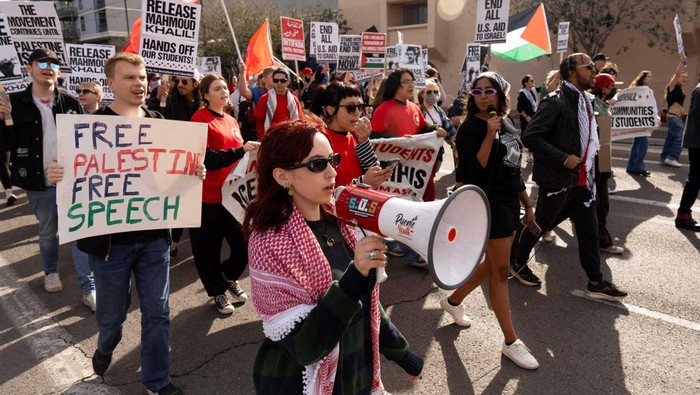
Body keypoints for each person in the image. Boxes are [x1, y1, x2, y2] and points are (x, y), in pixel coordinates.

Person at [46, 52, 205, 395]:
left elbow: (173, 176)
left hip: (154, 242)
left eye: (143, 76)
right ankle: (106, 345)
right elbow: (71, 174)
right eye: (130, 77)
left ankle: (157, 381)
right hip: (109, 247)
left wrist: (194, 172)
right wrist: (56, 172)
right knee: (112, 317)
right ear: (112, 84)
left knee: (158, 313)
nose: (139, 83)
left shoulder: (160, 123)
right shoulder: (89, 130)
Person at [244, 119, 424, 393]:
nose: (332, 172)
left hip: (355, 374)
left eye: (333, 160)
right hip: (301, 382)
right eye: (317, 164)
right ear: (283, 176)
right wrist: (356, 274)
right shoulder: (269, 242)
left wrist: (402, 354)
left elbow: (368, 303)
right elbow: (304, 347)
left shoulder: (341, 220)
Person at [510, 53, 628, 302]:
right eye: (588, 67)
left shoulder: (586, 101)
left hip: (583, 181)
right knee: (541, 222)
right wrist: (563, 157)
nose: (594, 71)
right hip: (558, 180)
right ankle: (517, 261)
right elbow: (530, 136)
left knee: (589, 230)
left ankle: (595, 282)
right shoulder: (556, 101)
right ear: (572, 72)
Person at [441, 71, 539, 370]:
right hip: (485, 203)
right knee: (499, 270)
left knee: (495, 263)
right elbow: (473, 172)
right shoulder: (470, 128)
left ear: (499, 94)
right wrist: (488, 135)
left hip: (509, 202)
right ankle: (511, 342)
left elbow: (512, 168)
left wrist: (528, 206)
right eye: (478, 91)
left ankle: (453, 301)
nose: (483, 96)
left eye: (489, 91)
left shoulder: (507, 123)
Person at [0, 48, 95, 309]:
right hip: (39, 183)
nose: (48, 67)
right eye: (41, 62)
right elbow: (7, 144)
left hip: (72, 180)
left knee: (79, 231)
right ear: (29, 68)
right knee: (49, 232)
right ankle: (50, 270)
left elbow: (86, 138)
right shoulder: (13, 102)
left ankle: (89, 288)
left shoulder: (71, 102)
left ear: (59, 72)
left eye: (53, 63)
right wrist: (1, 120)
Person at [189, 74, 260, 314]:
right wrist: (239, 151)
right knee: (207, 250)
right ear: (206, 95)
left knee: (242, 247)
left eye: (224, 88)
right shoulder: (200, 119)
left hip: (232, 196)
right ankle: (217, 291)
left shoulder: (231, 120)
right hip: (206, 198)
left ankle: (228, 277)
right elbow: (205, 157)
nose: (223, 92)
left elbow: (237, 156)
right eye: (217, 89)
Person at [371, 69, 447, 266]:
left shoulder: (414, 108)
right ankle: (413, 252)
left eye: (413, 81)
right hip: (393, 174)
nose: (411, 85)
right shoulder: (384, 109)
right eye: (406, 81)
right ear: (396, 84)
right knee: (401, 209)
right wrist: (398, 142)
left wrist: (434, 130)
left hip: (412, 172)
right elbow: (374, 138)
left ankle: (401, 245)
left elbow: (422, 128)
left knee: (414, 206)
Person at [309, 81, 391, 188]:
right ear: (331, 110)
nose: (357, 113)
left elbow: (372, 171)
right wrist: (362, 183)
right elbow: (322, 192)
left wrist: (364, 142)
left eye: (360, 107)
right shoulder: (319, 140)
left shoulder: (355, 135)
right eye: (351, 108)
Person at [591, 73, 624, 255]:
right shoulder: (596, 107)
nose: (614, 91)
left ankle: (600, 239)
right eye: (612, 87)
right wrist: (603, 168)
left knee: (599, 204)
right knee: (600, 204)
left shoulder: (602, 106)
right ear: (604, 89)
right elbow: (600, 141)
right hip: (596, 163)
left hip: (601, 162)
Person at [675, 81, 700, 231]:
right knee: (695, 178)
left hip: (696, 140)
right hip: (697, 142)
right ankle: (683, 214)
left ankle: (684, 213)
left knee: (696, 178)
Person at [254, 67, 303, 139]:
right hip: (270, 141)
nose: (279, 83)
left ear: (288, 82)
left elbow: (299, 122)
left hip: (291, 141)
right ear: (273, 81)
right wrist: (264, 138)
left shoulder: (294, 100)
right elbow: (259, 122)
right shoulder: (264, 99)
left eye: (282, 80)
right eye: (276, 80)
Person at [661, 58, 689, 168]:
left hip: (675, 117)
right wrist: (681, 63)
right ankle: (671, 157)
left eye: (687, 77)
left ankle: (665, 156)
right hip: (674, 118)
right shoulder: (672, 87)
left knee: (671, 137)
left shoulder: (680, 89)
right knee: (680, 137)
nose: (685, 78)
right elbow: (676, 74)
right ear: (677, 78)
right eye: (683, 76)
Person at [626, 70, 654, 176]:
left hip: (644, 121)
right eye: (648, 77)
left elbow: (651, 106)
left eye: (651, 76)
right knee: (644, 142)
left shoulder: (649, 91)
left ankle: (631, 166)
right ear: (642, 78)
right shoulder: (636, 91)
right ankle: (638, 167)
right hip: (638, 121)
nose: (651, 78)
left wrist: (655, 118)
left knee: (638, 143)